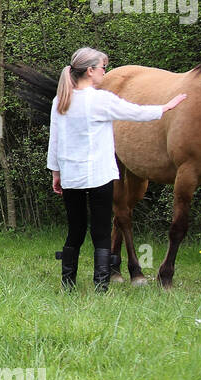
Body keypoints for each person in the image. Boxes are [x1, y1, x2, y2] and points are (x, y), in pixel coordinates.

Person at [47, 47, 186, 291]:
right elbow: (136, 113)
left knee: (75, 231)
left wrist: (56, 173)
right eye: (102, 67)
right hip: (100, 176)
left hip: (71, 177)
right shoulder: (101, 100)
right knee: (101, 232)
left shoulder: (61, 100)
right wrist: (166, 107)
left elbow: (54, 140)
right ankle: (101, 285)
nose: (105, 72)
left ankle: (67, 284)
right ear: (90, 71)